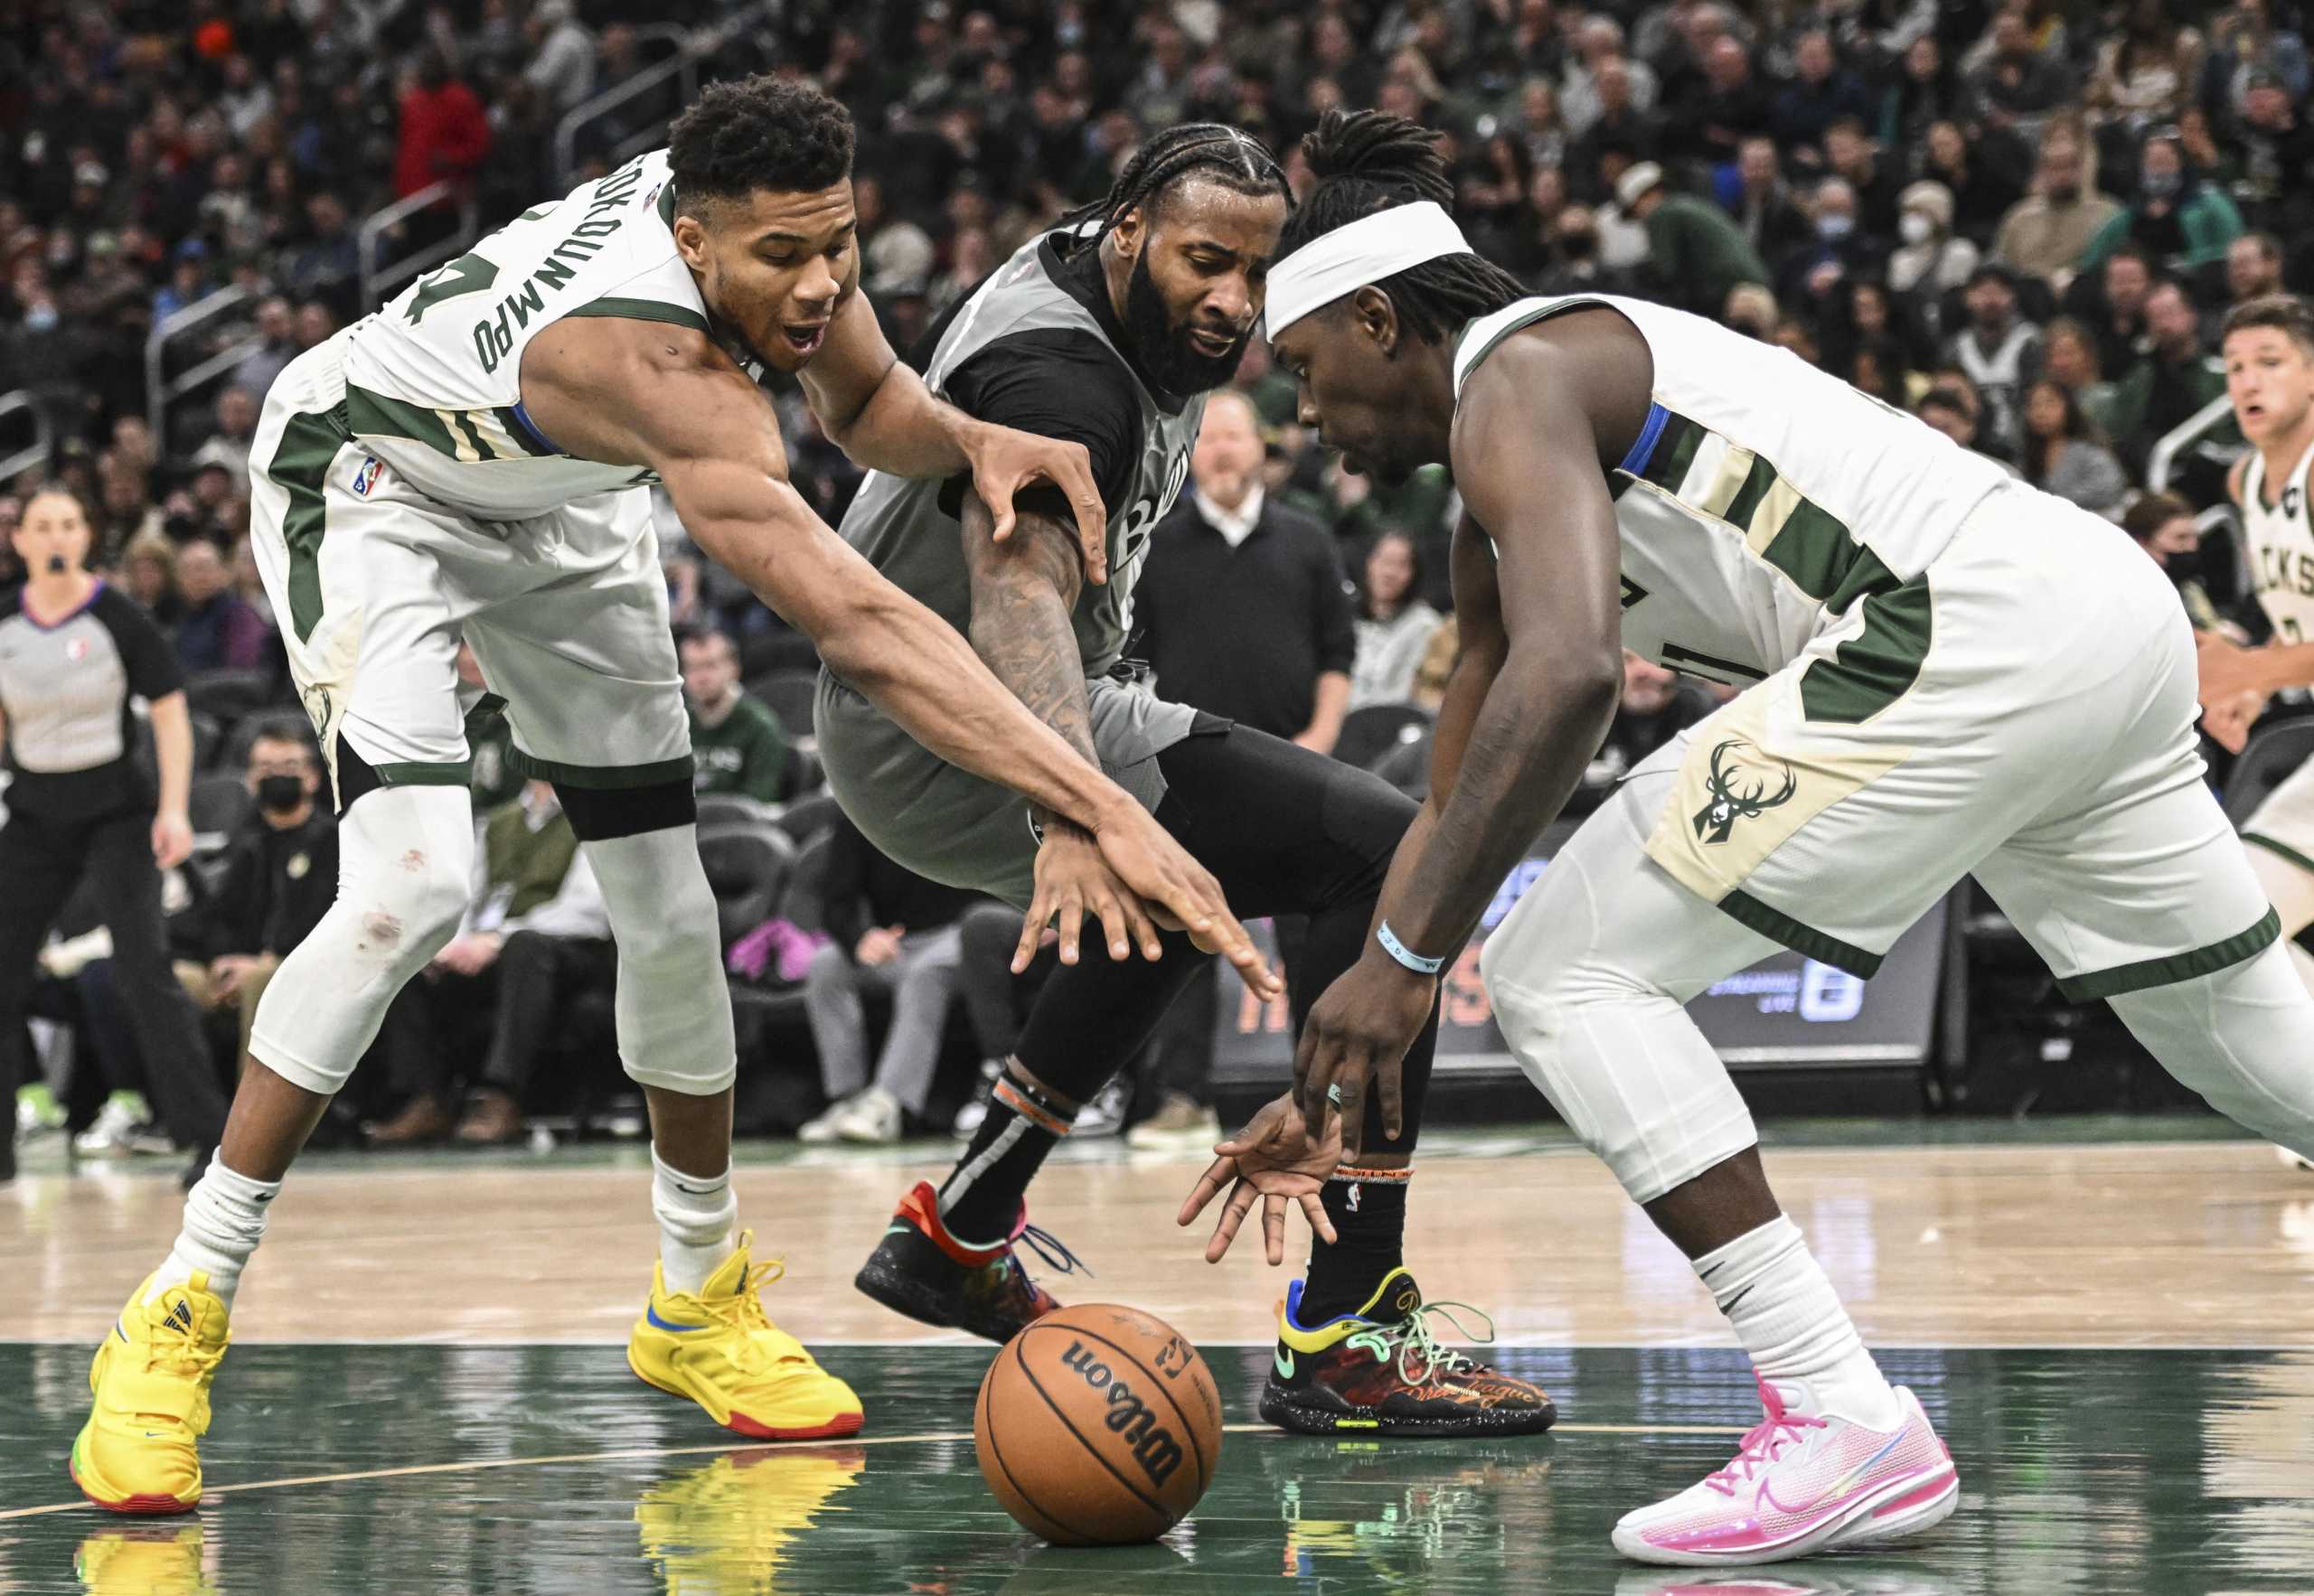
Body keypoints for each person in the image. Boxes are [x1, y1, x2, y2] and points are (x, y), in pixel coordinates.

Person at [69, 76, 1271, 1518]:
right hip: (377, 480)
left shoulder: (767, 222)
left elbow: (871, 401)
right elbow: (870, 628)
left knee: (671, 910)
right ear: (693, 246)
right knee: (411, 887)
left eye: (839, 243)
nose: (822, 281)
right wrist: (1102, 804)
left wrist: (971, 440)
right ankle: (176, 1311)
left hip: (560, 504)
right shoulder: (655, 368)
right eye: (784, 258)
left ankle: (697, 1297)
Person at [1238, 108, 2314, 1568]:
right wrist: (1377, 998)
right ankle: (1841, 1418)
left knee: (1563, 968)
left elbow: (1566, 675)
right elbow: (1456, 786)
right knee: (2248, 1039)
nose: (1306, 416)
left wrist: (1419, 951)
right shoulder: (1499, 475)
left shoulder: (1517, 378)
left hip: (1962, 628)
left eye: (1303, 370)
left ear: (1377, 318)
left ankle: (1840, 1415)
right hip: (2089, 613)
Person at [819, 121, 1554, 1438]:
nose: (1233, 301)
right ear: (1128, 232)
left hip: (929, 713)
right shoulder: (1065, 380)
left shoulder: (1111, 291)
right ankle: (1349, 1328)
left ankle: (963, 1224)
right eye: (1206, 262)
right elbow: (1019, 589)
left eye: (1257, 273)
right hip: (968, 710)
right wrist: (1072, 805)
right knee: (1386, 858)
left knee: (1185, 882)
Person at [0, 490, 229, 1193]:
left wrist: (173, 810)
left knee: (143, 971)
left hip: (117, 813)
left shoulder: (117, 616)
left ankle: (208, 1142)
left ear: (86, 533)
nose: (56, 535)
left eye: (69, 523)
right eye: (43, 526)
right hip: (35, 811)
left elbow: (169, 715)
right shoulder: (6, 619)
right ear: (22, 541)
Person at [367, 779, 602, 1145]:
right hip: (490, 950)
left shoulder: (595, 816)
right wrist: (453, 944)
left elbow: (589, 910)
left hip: (567, 951)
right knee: (412, 955)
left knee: (526, 948)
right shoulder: (495, 822)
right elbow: (467, 896)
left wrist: (499, 938)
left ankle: (501, 1096)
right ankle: (425, 1099)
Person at [2194, 299, 2314, 988]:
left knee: (2237, 930)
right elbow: (2281, 605)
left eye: (2270, 363)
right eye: (2235, 368)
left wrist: (2253, 668)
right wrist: (2246, 670)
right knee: (2236, 935)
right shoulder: (2247, 481)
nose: (2247, 382)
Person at [1135, 390, 1356, 754]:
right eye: (1208, 439)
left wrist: (1319, 739)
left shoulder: (1310, 539)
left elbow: (1339, 651)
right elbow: (1134, 663)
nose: (1222, 451)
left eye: (1234, 437)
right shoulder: (1155, 547)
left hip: (1294, 757)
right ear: (1187, 453)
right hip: (1185, 757)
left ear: (1259, 446)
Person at [796, 811, 983, 1143]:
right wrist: (861, 937)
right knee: (826, 965)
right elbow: (836, 903)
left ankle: (888, 1104)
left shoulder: (961, 803)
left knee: (926, 975)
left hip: (959, 933)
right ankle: (848, 1099)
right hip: (895, 943)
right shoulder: (858, 813)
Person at [180, 718, 337, 1081]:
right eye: (266, 768)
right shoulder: (247, 843)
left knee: (261, 981)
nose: (276, 776)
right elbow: (218, 914)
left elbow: (328, 919)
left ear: (312, 777)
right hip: (244, 964)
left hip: (303, 966)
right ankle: (183, 1113)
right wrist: (220, 960)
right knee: (175, 979)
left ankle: (251, 1122)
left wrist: (263, 961)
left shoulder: (333, 840)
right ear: (250, 779)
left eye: (289, 767)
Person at [681, 628, 790, 803]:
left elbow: (761, 800)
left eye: (710, 666)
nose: (701, 677)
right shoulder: (676, 726)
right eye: (692, 668)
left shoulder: (760, 725)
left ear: (734, 668)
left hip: (738, 826)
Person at [1349, 530, 1444, 710]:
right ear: (1370, 563)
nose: (1390, 573)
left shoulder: (1427, 627)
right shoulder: (1345, 615)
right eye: (1385, 561)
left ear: (1415, 573)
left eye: (1401, 565)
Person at [2018, 379, 2130, 517]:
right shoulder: (2026, 454)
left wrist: (2054, 502)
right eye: (2034, 405)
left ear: (2068, 406)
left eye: (2050, 403)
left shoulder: (2089, 448)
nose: (2041, 412)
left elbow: (2109, 487)